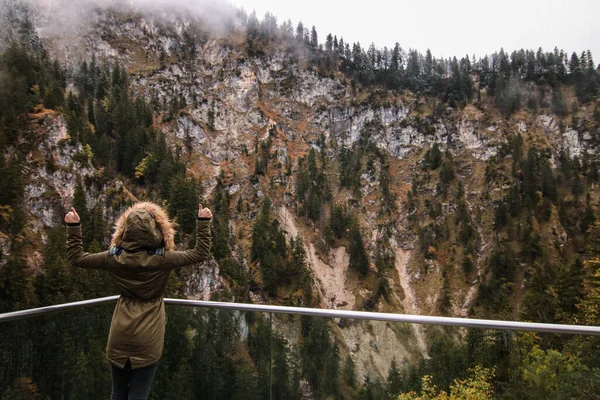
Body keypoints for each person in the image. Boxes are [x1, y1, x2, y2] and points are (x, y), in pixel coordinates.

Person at [64, 201, 212, 400]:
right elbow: (200, 253)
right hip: (148, 336)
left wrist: (73, 227)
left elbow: (77, 258)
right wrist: (203, 221)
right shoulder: (163, 259)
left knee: (117, 394)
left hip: (120, 334)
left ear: (124, 230)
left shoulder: (114, 258)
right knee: (139, 395)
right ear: (158, 231)